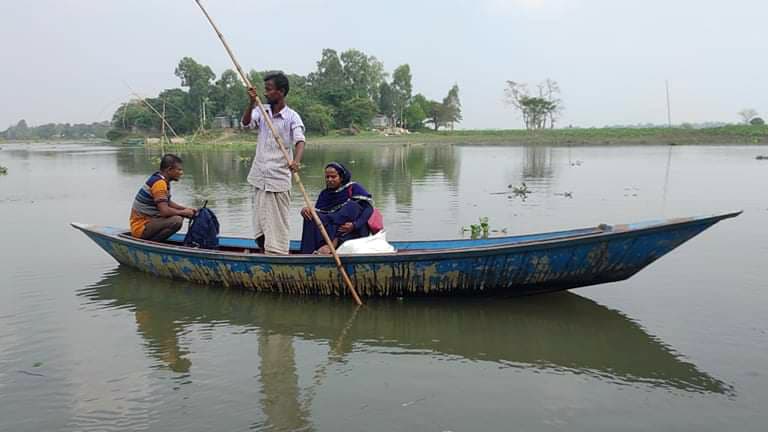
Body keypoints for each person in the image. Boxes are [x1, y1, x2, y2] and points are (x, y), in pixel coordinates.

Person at [242, 72, 305, 255]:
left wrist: (296, 162)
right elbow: (246, 124)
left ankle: (278, 256)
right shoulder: (262, 111)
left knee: (278, 225)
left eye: (269, 90)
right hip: (260, 177)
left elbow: (300, 140)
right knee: (261, 223)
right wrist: (251, 102)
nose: (266, 93)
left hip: (278, 179)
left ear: (281, 91)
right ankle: (265, 254)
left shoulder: (292, 117)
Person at [300, 162, 374, 254]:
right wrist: (307, 210)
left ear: (341, 177)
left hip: (352, 230)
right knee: (311, 216)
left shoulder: (353, 188)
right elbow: (321, 214)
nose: (330, 180)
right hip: (332, 227)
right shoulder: (324, 194)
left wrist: (354, 225)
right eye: (327, 177)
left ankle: (333, 244)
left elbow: (368, 209)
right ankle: (307, 253)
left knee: (352, 206)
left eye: (333, 177)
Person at [130, 154, 196, 242]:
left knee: (179, 215)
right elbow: (164, 211)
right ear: (169, 170)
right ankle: (152, 244)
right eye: (179, 170)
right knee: (176, 220)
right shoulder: (159, 184)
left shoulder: (161, 179)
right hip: (140, 227)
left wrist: (186, 209)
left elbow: (168, 202)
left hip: (150, 221)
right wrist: (184, 213)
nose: (181, 172)